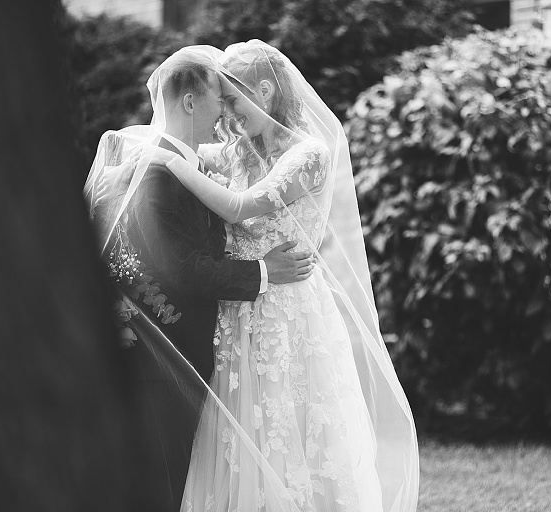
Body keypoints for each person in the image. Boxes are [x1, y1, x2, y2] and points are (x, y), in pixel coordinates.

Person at [144, 41, 419, 512]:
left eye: (233, 99)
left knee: (292, 428)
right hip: (237, 312)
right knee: (237, 432)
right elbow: (182, 139)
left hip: (289, 312)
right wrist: (154, 153)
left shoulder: (308, 154)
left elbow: (237, 207)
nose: (226, 114)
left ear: (265, 91)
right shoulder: (235, 153)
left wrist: (172, 163)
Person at [83, 47, 316, 511]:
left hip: (169, 344)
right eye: (218, 100)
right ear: (190, 103)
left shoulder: (171, 162)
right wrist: (266, 270)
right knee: (166, 478)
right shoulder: (160, 175)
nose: (225, 115)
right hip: (164, 353)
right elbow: (182, 269)